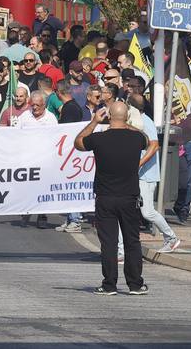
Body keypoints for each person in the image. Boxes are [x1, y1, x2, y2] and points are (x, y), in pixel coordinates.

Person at [76, 101, 149, 297]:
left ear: (108, 116)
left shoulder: (99, 138)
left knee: (109, 243)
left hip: (105, 197)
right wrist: (126, 123)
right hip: (129, 197)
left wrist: (93, 122)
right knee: (132, 241)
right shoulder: (135, 138)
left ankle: (109, 284)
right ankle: (135, 284)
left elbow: (79, 142)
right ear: (127, 118)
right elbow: (147, 140)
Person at [129, 95, 182, 252]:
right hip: (139, 174)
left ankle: (171, 238)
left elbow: (154, 146)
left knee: (148, 212)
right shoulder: (137, 122)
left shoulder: (146, 122)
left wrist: (138, 164)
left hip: (146, 175)